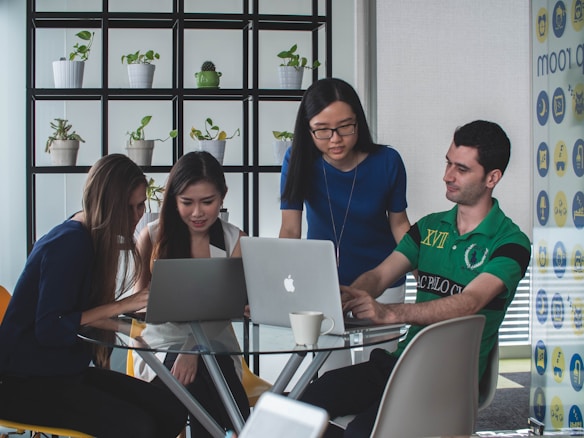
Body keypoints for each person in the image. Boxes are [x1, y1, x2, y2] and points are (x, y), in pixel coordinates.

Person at [299, 120, 532, 437]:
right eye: (448, 162)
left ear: (492, 177)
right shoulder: (429, 227)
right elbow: (381, 275)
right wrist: (351, 295)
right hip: (400, 364)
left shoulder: (511, 243)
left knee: (362, 430)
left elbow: (470, 302)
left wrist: (390, 312)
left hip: (447, 381)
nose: (447, 176)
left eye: (461, 169)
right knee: (305, 405)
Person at [0, 154, 187, 438]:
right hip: (22, 383)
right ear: (110, 206)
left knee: (170, 410)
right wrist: (121, 306)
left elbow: (79, 312)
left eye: (141, 205)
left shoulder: (89, 237)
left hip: (63, 374)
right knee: (140, 427)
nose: (139, 215)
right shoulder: (69, 243)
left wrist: (127, 327)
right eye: (132, 207)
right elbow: (51, 327)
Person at [133, 151, 250, 437]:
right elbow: (137, 302)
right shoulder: (152, 235)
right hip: (161, 345)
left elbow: (227, 311)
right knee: (196, 371)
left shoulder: (236, 240)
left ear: (222, 197)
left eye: (207, 202)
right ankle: (244, 427)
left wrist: (193, 347)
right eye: (187, 202)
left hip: (216, 344)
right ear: (173, 199)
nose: (197, 213)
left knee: (206, 365)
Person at [279, 77, 411, 304]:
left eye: (345, 127)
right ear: (308, 129)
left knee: (380, 341)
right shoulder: (297, 160)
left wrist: (427, 278)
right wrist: (277, 285)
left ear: (358, 122)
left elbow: (399, 224)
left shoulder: (388, 161)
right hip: (321, 283)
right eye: (322, 130)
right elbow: (291, 230)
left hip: (383, 285)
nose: (336, 139)